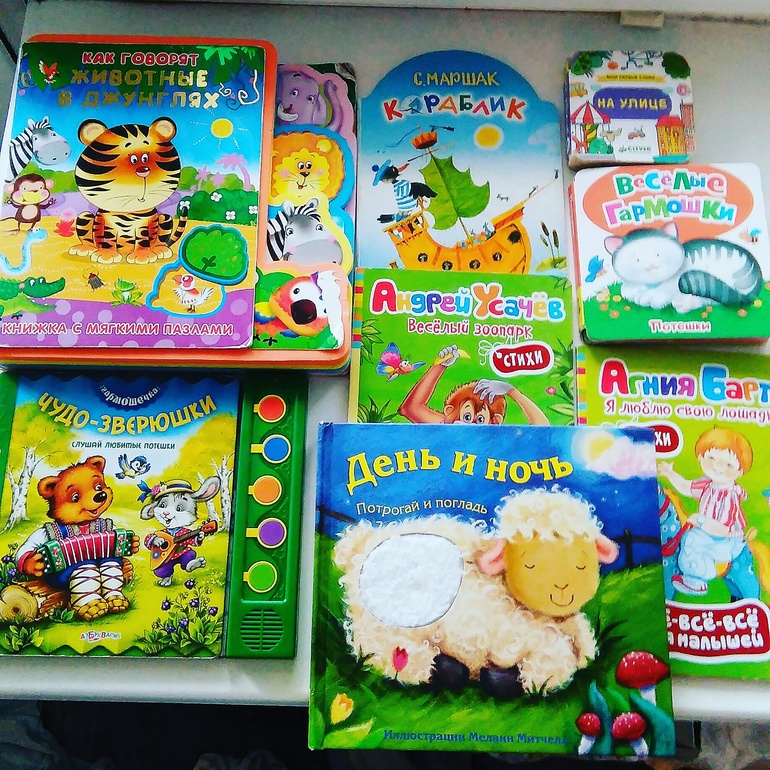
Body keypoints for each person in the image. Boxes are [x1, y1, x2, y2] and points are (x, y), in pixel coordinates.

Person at [658, 427, 759, 597]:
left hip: (726, 539)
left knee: (696, 543)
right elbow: (685, 487)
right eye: (711, 458)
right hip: (705, 532)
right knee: (689, 539)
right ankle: (689, 575)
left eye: (729, 465)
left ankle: (698, 580)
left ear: (740, 471)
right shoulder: (706, 485)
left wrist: (701, 520)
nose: (718, 467)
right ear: (700, 457)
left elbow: (723, 529)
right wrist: (670, 473)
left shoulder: (730, 496)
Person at [398, 344, 548, 426]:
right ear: (450, 411)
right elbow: (410, 408)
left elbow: (543, 430)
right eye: (467, 417)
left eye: (480, 420)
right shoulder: (449, 427)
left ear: (495, 422)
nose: (472, 424)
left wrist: (513, 392)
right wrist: (439, 366)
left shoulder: (497, 441)